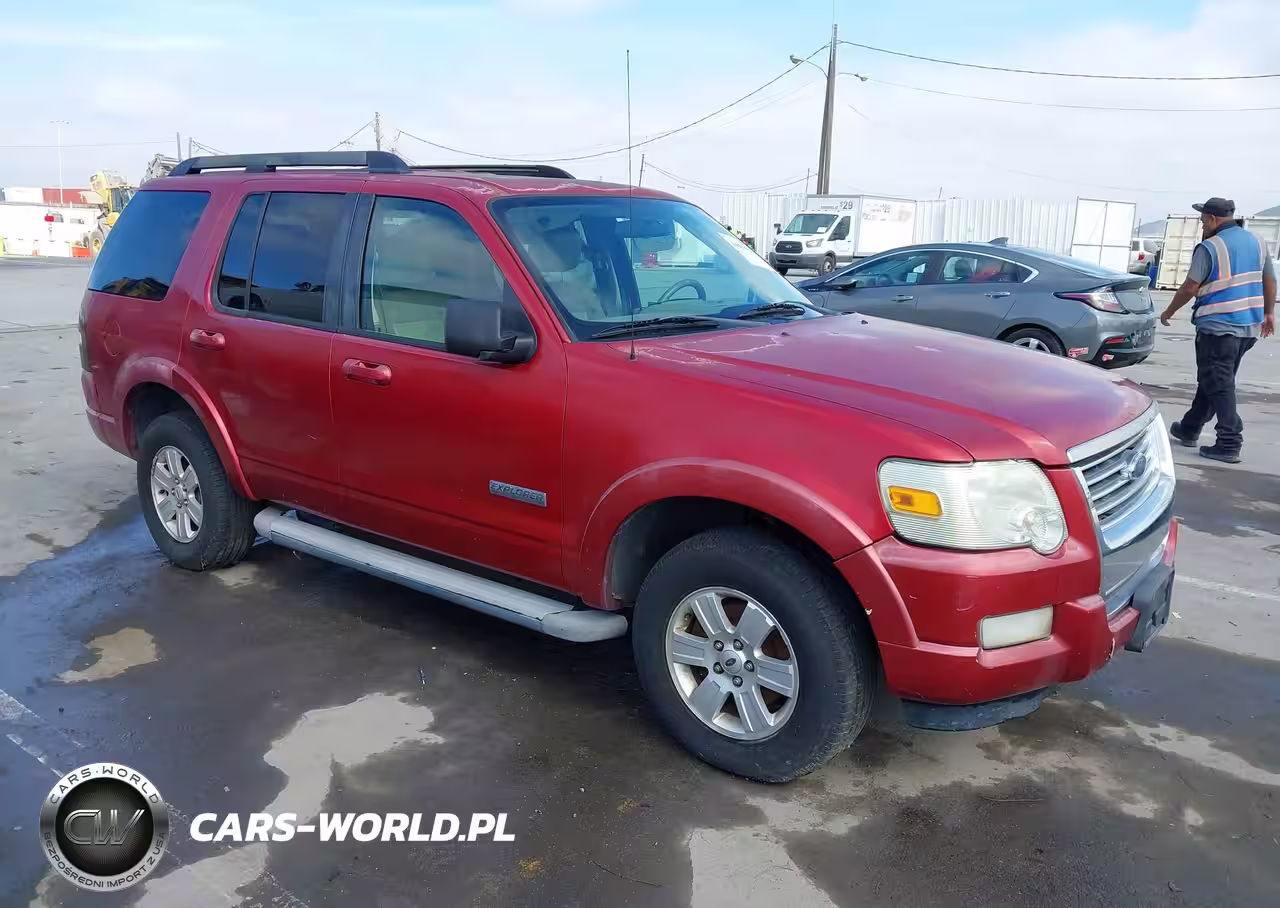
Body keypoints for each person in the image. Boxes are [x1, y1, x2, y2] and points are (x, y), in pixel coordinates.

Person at [1159, 197, 1276, 463]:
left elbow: (1190, 287)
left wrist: (1168, 312)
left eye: (1202, 222)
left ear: (1212, 219)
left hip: (1218, 326)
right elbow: (1269, 279)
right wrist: (1269, 312)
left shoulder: (1210, 247)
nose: (1202, 227)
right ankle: (1190, 428)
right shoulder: (1258, 242)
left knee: (1219, 383)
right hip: (1248, 327)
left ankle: (1229, 441)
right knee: (1215, 380)